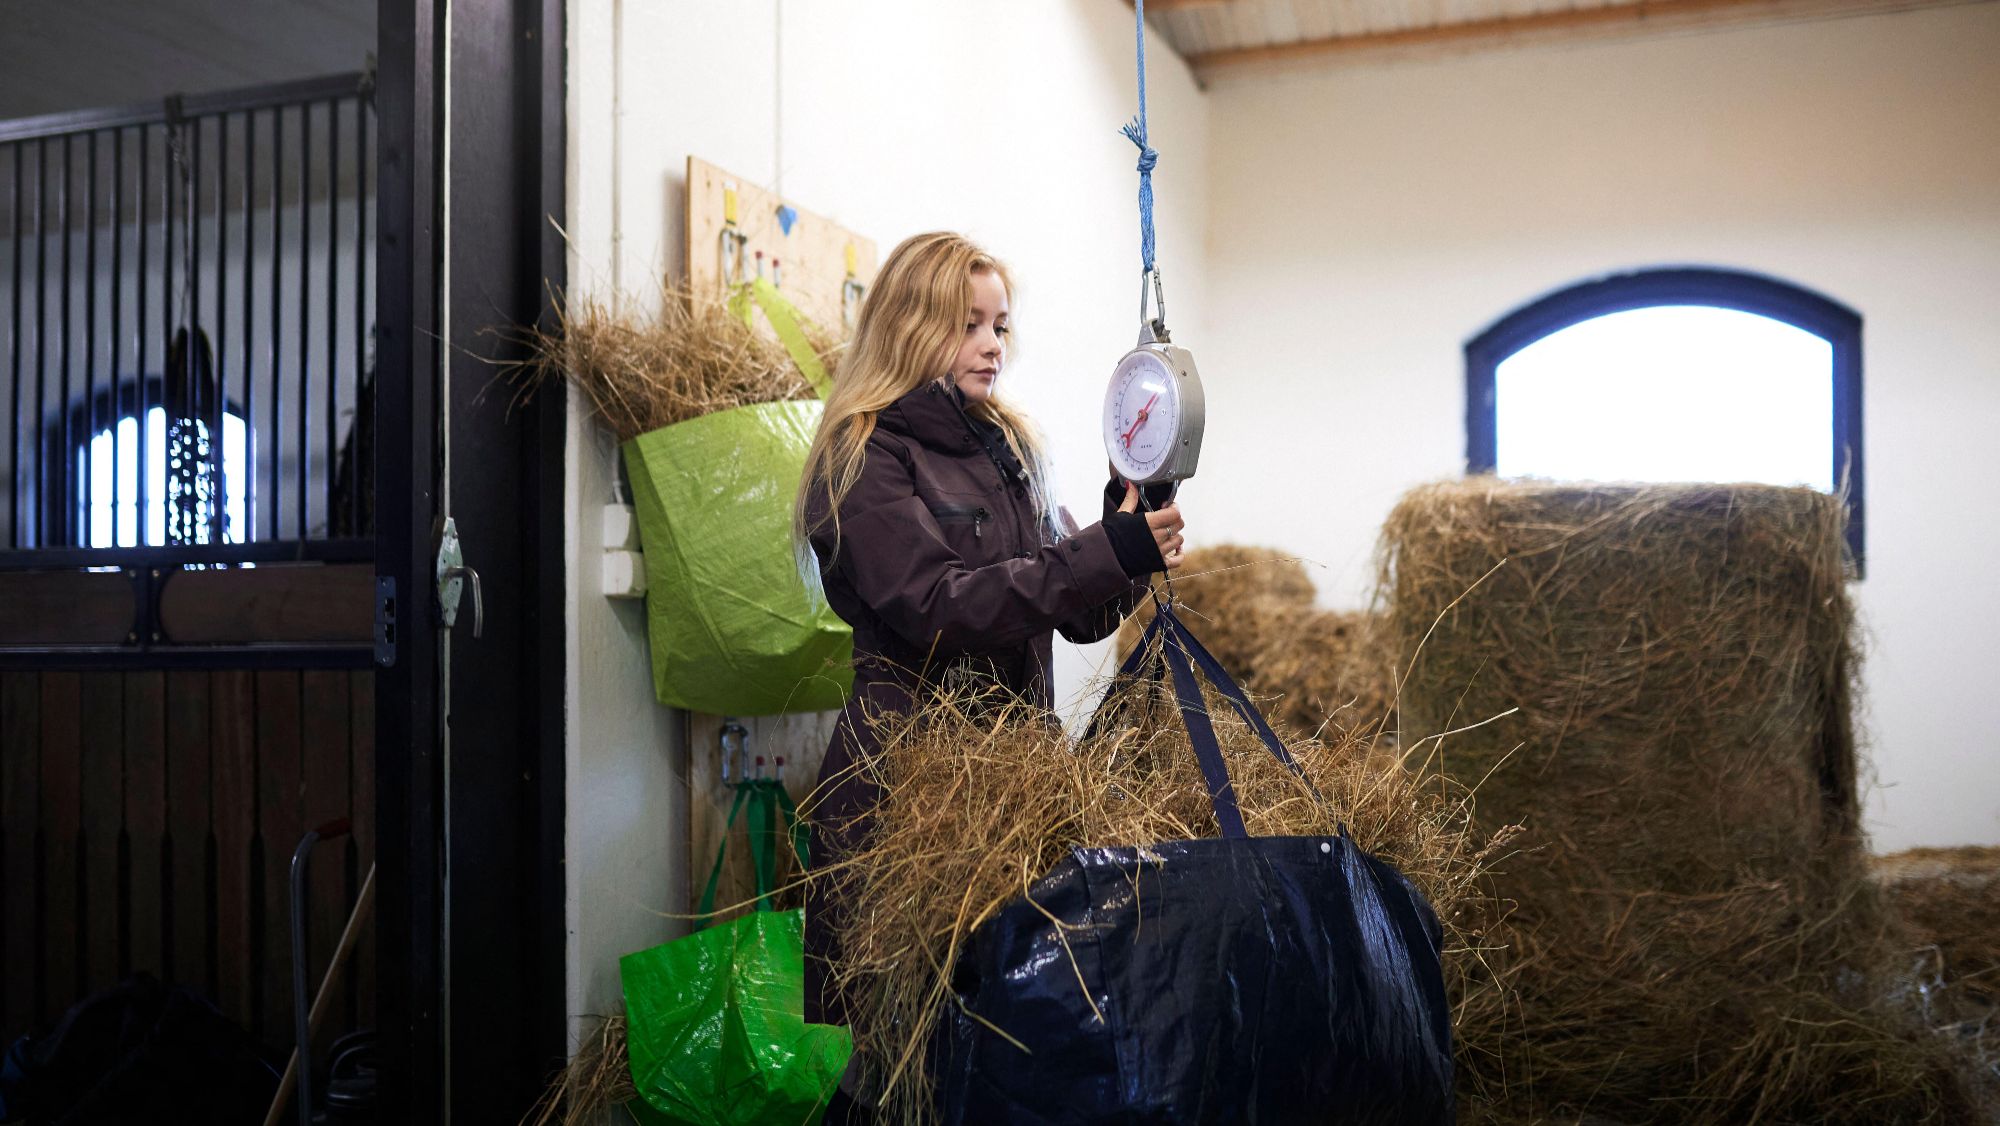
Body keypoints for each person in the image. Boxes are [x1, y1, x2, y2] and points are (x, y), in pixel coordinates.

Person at [793, 231, 1185, 1117]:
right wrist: (1098, 556)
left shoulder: (1008, 447)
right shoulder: (863, 457)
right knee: (899, 1064)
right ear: (909, 327)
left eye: (1000, 325)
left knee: (1000, 1043)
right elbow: (936, 607)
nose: (991, 345)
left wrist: (1128, 540)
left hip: (1010, 785)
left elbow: (1071, 611)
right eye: (967, 324)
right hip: (909, 789)